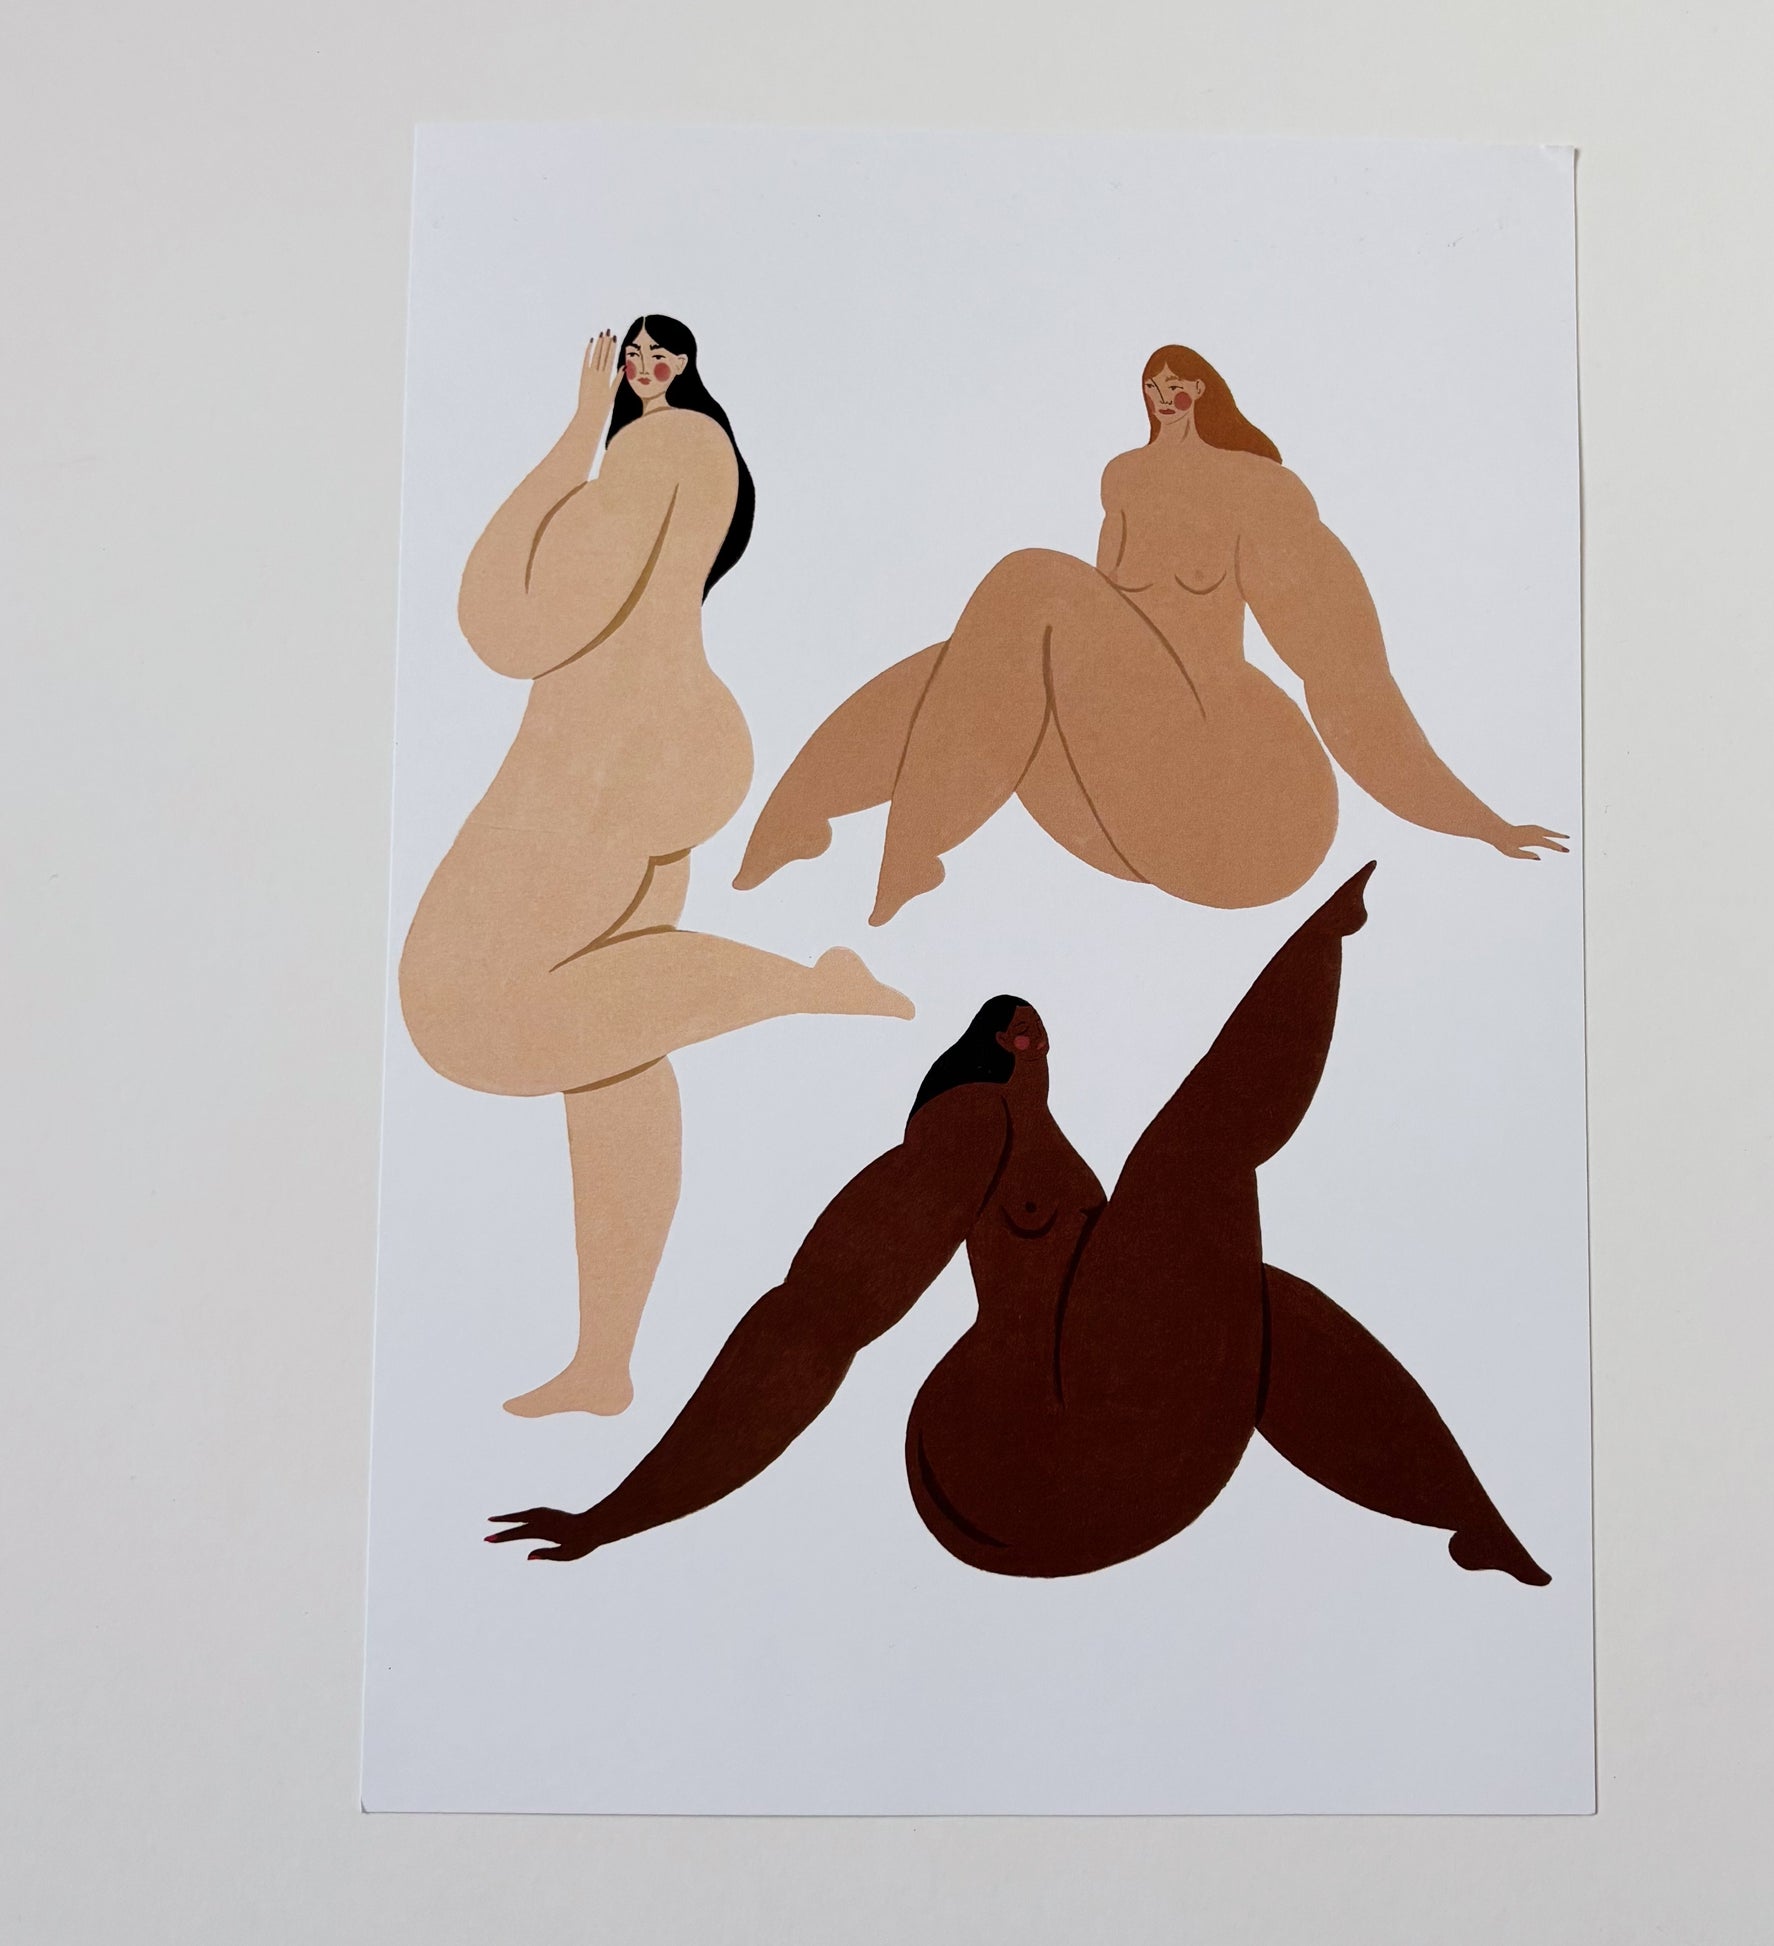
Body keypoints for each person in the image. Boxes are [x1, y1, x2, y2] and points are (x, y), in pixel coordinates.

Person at [488, 864, 1549, 1584]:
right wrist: (619, 1514)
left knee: (1247, 1298)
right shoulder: (974, 1123)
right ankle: (1319, 942)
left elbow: (1300, 1351)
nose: (1046, 1045)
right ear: (1007, 1044)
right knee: (1185, 1168)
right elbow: (815, 1320)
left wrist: (1464, 1508)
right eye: (1029, 1033)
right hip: (1011, 1456)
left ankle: (1467, 1514)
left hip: (1127, 1458)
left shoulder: (1061, 1177)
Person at [400, 316, 911, 1420]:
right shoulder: (698, 455)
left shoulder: (657, 447)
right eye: (629, 353)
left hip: (601, 757)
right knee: (609, 1048)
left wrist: (577, 431)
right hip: (645, 743)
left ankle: (803, 985)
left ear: (682, 367)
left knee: (455, 1007)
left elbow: (509, 623)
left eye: (657, 351)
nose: (641, 366)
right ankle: (606, 1361)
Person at [735, 344, 1567, 925]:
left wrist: (1476, 821)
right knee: (981, 652)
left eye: (1179, 383)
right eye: (1153, 384)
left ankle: (910, 848)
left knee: (1027, 581)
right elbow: (1044, 647)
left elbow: (1351, 683)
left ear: (1205, 392)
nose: (1164, 395)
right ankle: (799, 821)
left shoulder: (1262, 494)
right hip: (1121, 796)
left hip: (1243, 799)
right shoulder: (1125, 481)